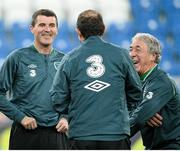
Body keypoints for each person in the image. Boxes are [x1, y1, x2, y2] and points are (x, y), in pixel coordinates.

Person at [50, 9, 142, 150]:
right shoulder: (122, 54)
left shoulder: (69, 59)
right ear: (103, 30)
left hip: (81, 135)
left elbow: (57, 97)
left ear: (78, 32)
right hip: (115, 134)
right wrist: (121, 111)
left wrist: (69, 114)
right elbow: (136, 91)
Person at [0, 9, 69, 149]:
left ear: (57, 29)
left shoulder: (65, 60)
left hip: (56, 133)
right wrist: (20, 117)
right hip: (25, 133)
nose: (47, 29)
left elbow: (74, 95)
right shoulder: (17, 58)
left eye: (52, 25)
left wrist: (66, 118)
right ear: (32, 28)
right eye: (42, 25)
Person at [129, 33, 180, 149]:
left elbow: (139, 117)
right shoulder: (138, 83)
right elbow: (131, 110)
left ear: (153, 56)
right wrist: (142, 111)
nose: (132, 54)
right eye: (130, 49)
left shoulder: (161, 82)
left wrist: (112, 136)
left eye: (138, 49)